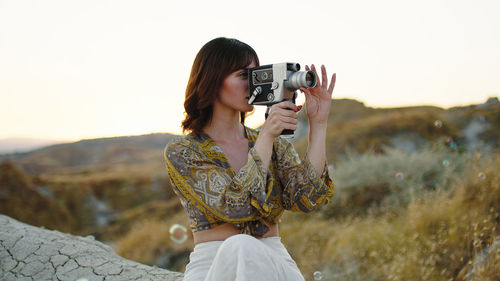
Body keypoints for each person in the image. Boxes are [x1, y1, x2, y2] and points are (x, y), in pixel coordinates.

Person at [164, 37, 336, 281]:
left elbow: (307, 199)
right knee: (241, 245)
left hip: (273, 257)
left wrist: (319, 123)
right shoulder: (184, 151)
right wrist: (265, 136)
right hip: (214, 263)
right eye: (244, 75)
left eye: (256, 74)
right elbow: (235, 208)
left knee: (246, 246)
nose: (254, 84)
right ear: (213, 80)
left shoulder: (274, 143)